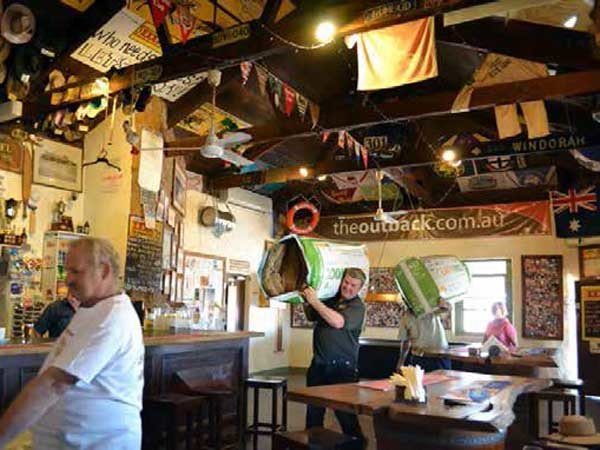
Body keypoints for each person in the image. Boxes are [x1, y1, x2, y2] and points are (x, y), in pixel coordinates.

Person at [0, 237, 144, 449]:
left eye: (76, 272)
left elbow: (54, 384)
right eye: (67, 271)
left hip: (99, 443)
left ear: (104, 271)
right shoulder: (94, 308)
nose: (67, 280)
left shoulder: (110, 317)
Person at [302, 268, 367, 448]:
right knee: (313, 415)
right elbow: (311, 315)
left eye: (353, 285)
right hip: (319, 366)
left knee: (346, 417)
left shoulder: (357, 307)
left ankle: (359, 446)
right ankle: (314, 446)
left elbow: (337, 322)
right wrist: (307, 300)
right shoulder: (330, 299)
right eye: (346, 282)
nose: (348, 287)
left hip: (342, 369)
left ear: (360, 288)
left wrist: (316, 302)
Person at [397, 300, 451, 373]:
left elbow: (447, 308)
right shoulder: (406, 318)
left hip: (440, 356)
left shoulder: (431, 311)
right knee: (419, 383)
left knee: (443, 383)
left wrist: (440, 302)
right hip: (419, 358)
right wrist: (401, 362)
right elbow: (405, 342)